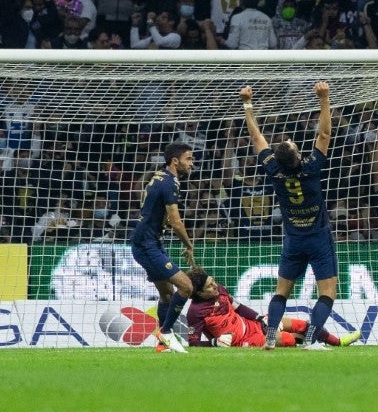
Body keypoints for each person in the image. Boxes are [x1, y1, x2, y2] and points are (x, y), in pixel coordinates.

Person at [240, 81, 338, 350]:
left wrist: (248, 104)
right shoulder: (311, 167)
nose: (290, 140)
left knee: (282, 291)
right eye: (291, 143)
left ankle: (270, 335)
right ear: (297, 154)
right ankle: (309, 339)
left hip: (293, 239)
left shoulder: (274, 171)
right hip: (318, 238)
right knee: (328, 292)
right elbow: (325, 134)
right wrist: (324, 98)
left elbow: (257, 138)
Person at [185, 266, 361, 348]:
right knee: (288, 339)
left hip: (253, 324)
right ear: (199, 293)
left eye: (213, 281)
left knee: (301, 325)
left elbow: (239, 308)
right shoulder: (195, 312)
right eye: (209, 286)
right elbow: (193, 343)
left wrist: (258, 318)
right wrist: (215, 343)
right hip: (244, 341)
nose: (215, 286)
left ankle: (338, 342)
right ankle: (306, 342)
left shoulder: (221, 291)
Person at [130, 142, 195, 353]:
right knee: (186, 287)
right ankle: (165, 332)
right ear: (175, 161)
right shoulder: (169, 183)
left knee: (167, 294)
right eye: (188, 159)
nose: (192, 164)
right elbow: (176, 222)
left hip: (150, 241)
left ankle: (161, 345)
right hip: (147, 245)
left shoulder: (160, 177)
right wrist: (188, 245)